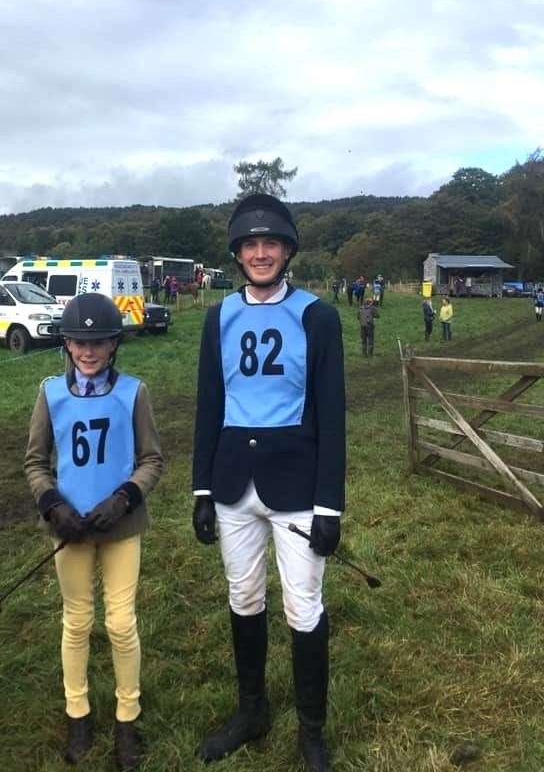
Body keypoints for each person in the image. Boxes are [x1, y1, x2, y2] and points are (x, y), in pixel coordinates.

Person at [192, 193, 346, 772]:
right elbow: (211, 403)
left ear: (287, 251)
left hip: (297, 485)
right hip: (233, 482)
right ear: (237, 253)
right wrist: (201, 490)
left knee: (304, 605)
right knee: (244, 596)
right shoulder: (219, 316)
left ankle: (311, 730)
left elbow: (332, 415)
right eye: (250, 244)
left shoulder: (317, 316)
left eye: (270, 243)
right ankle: (251, 710)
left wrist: (330, 504)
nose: (260, 253)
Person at [23, 293, 166, 770]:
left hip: (120, 525)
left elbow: (152, 459)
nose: (88, 352)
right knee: (78, 620)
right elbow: (35, 461)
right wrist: (50, 503)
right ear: (66, 344)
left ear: (113, 346)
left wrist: (126, 496)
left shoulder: (134, 393)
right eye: (78, 343)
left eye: (98, 343)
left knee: (121, 622)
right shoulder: (50, 393)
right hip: (70, 529)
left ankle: (128, 715)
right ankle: (78, 710)